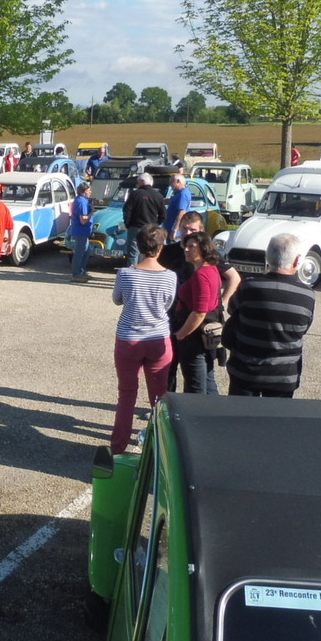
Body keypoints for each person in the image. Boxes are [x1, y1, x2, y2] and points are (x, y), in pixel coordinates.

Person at [110, 226, 176, 455]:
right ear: (161, 248)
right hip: (158, 338)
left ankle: (118, 448)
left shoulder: (125, 274)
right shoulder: (170, 276)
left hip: (129, 338)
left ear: (138, 246)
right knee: (159, 397)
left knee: (126, 394)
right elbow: (168, 304)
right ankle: (161, 447)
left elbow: (117, 299)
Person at [224, 233, 316, 397]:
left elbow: (231, 309)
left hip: (245, 373)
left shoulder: (248, 286)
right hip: (283, 377)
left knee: (240, 414)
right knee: (277, 415)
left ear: (267, 257)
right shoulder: (307, 295)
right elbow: (303, 328)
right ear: (297, 260)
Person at [171, 231, 223, 394]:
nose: (186, 250)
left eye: (191, 246)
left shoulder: (202, 274)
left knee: (195, 388)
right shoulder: (212, 270)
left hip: (195, 337)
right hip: (204, 333)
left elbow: (200, 312)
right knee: (207, 381)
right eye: (186, 246)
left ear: (203, 248)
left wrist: (181, 334)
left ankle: (198, 411)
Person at [122, 173, 166, 265]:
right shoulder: (158, 195)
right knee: (149, 252)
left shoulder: (134, 194)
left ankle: (132, 271)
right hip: (151, 229)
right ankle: (147, 270)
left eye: (137, 182)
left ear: (142, 182)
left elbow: (127, 210)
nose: (136, 184)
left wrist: (128, 224)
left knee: (133, 253)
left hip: (135, 227)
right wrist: (156, 224)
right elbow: (163, 215)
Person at [68, 181, 94, 282]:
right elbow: (83, 220)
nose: (90, 192)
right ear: (83, 191)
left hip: (83, 232)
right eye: (89, 190)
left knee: (87, 251)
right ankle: (76, 274)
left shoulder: (82, 200)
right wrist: (92, 212)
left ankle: (81, 271)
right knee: (79, 252)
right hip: (81, 231)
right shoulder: (81, 202)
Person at [163, 174, 192, 240]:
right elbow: (171, 201)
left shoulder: (183, 194)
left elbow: (181, 213)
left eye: (171, 182)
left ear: (178, 181)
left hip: (176, 233)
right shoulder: (178, 193)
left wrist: (175, 230)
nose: (170, 185)